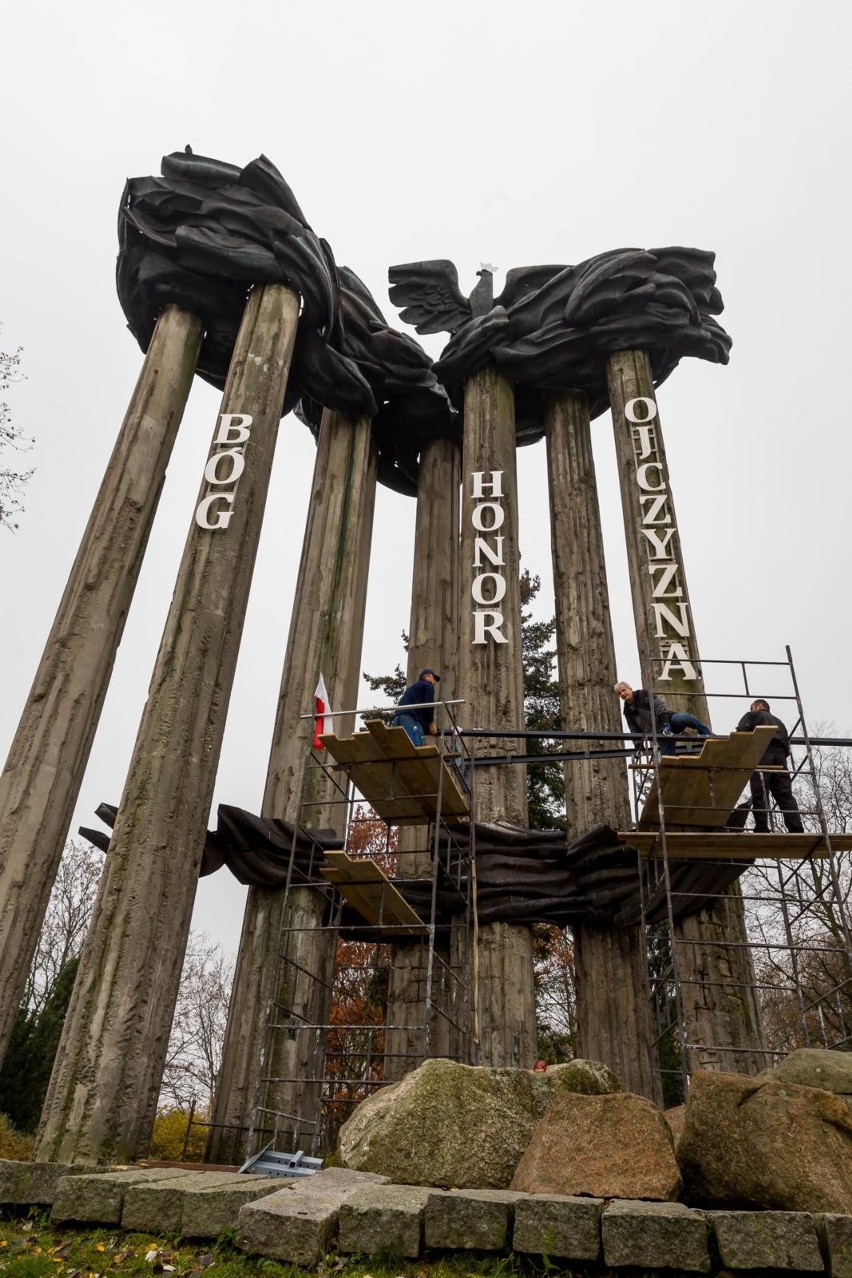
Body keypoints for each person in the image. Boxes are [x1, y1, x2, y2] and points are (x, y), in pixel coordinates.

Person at [736, 698, 803, 833]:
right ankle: (796, 828)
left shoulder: (754, 715)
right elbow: (787, 743)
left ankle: (761, 827)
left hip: (762, 752)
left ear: (759, 706)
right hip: (781, 758)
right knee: (785, 794)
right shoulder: (780, 722)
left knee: (760, 791)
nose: (751, 710)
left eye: (752, 707)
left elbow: (741, 733)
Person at [614, 681, 712, 756]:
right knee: (667, 759)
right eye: (619, 693)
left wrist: (665, 725)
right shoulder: (627, 712)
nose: (622, 694)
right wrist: (638, 747)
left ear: (630, 689)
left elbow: (660, 707)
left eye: (624, 690)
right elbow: (634, 730)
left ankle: (708, 735)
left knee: (686, 719)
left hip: (668, 720)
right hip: (658, 733)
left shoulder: (643, 694)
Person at [391, 668, 441, 746]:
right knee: (416, 748)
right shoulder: (428, 685)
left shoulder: (412, 688)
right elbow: (428, 705)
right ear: (428, 676)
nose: (434, 682)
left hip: (397, 718)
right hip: (410, 719)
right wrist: (430, 723)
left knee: (401, 748)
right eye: (434, 679)